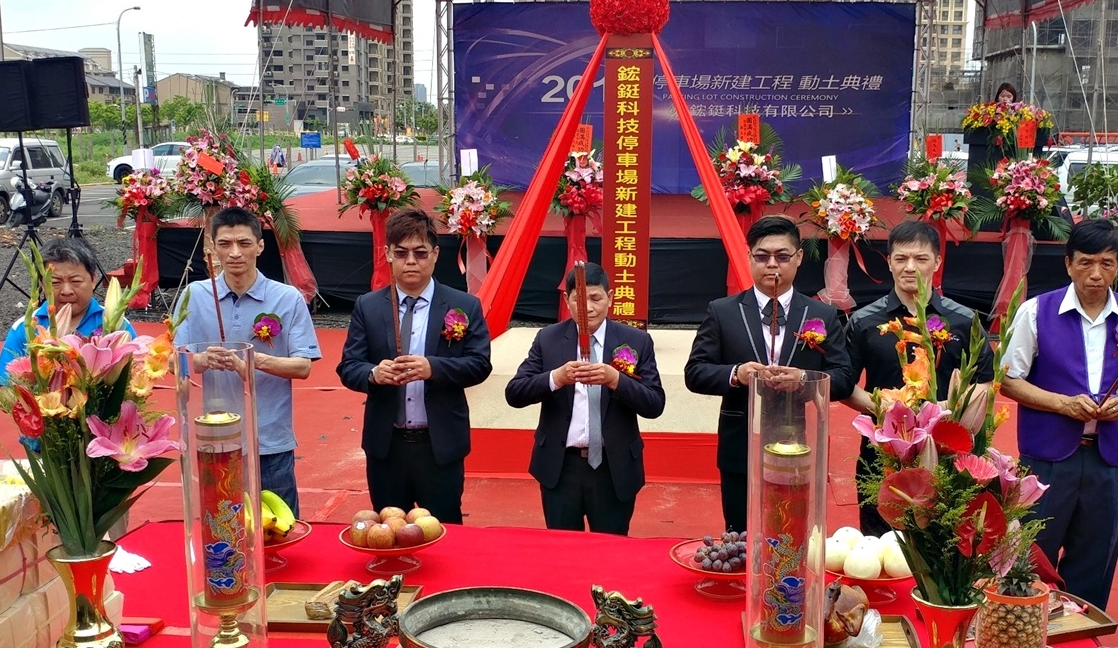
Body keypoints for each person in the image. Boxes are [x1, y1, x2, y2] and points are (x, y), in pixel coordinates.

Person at [1002, 219, 1118, 610]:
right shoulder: (1036, 312)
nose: (1096, 274)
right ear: (1068, 264)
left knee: (1095, 560)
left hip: (1107, 460)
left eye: (1107, 264)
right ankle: (1025, 635)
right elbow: (1007, 380)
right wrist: (1062, 404)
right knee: (1032, 556)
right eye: (1086, 263)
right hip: (1047, 459)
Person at [684, 215, 853, 533]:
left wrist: (804, 379)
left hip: (797, 444)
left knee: (790, 531)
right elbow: (695, 372)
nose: (771, 265)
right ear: (749, 257)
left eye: (782, 256)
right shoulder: (722, 312)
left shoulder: (821, 314)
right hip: (740, 446)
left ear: (799, 257)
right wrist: (737, 373)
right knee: (740, 533)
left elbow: (843, 376)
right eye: (762, 256)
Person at [336, 207, 492, 523]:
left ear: (435, 255)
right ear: (387, 254)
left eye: (420, 253)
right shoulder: (369, 306)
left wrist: (433, 368)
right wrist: (374, 374)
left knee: (445, 528)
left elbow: (479, 364)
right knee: (389, 530)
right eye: (402, 253)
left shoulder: (464, 305)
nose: (411, 261)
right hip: (387, 446)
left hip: (439, 444)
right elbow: (348, 366)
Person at [843, 221, 995, 535]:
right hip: (882, 451)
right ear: (889, 261)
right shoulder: (863, 321)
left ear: (937, 262)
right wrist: (888, 412)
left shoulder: (965, 321)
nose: (910, 267)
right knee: (882, 546)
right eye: (901, 258)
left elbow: (984, 382)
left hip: (948, 451)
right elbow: (844, 384)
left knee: (942, 547)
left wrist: (942, 412)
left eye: (921, 259)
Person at [173, 207, 321, 519]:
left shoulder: (287, 298)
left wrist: (254, 362)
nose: (235, 253)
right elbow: (175, 360)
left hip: (270, 439)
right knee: (223, 530)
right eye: (225, 244)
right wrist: (200, 359)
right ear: (211, 248)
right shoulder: (195, 295)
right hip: (216, 438)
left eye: (244, 243)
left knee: (280, 529)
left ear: (260, 246)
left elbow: (303, 366)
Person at [504, 264, 665, 535]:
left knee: (611, 550)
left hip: (613, 469)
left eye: (595, 298)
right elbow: (515, 393)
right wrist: (557, 378)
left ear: (611, 298)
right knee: (564, 553)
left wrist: (616, 380)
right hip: (561, 467)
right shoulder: (548, 339)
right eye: (579, 299)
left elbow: (654, 403)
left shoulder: (636, 341)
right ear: (567, 301)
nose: (587, 307)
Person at [0, 237, 135, 385]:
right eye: (55, 282)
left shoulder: (118, 325)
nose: (66, 291)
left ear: (93, 280)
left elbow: (132, 381)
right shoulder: (26, 326)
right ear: (42, 284)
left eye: (75, 281)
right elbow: (7, 386)